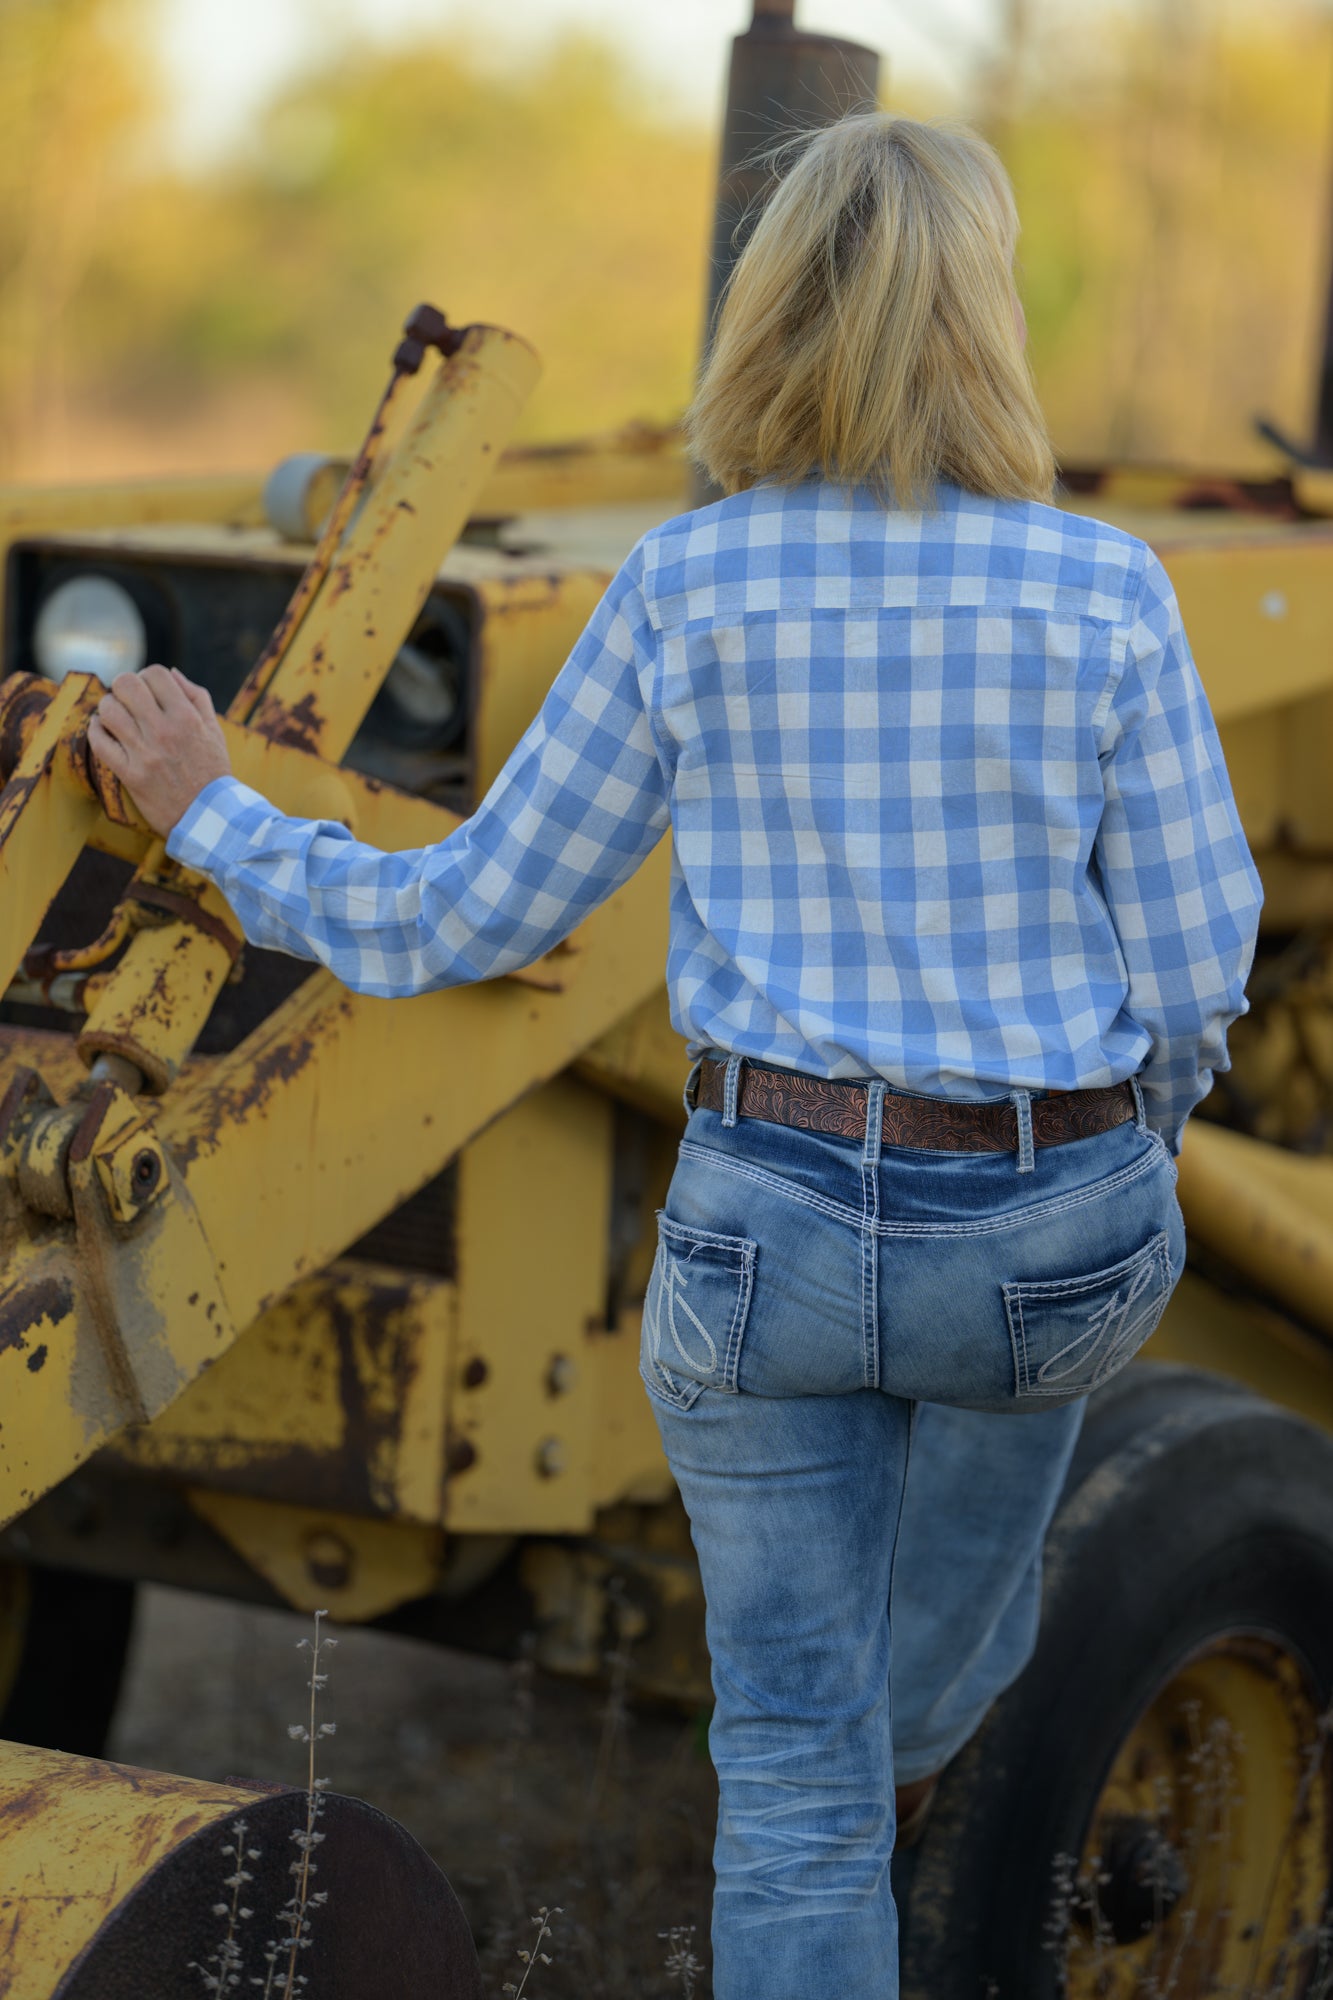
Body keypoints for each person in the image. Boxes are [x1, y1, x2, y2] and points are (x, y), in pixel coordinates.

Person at [88, 112, 1262, 2000]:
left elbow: (460, 922)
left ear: (770, 315)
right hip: (1046, 1231)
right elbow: (1200, 973)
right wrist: (1107, 1148)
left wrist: (214, 812)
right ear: (985, 323)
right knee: (944, 1648)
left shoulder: (688, 586)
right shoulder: (1104, 589)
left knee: (786, 1769)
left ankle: (848, 1802)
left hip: (762, 1238)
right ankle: (921, 1746)